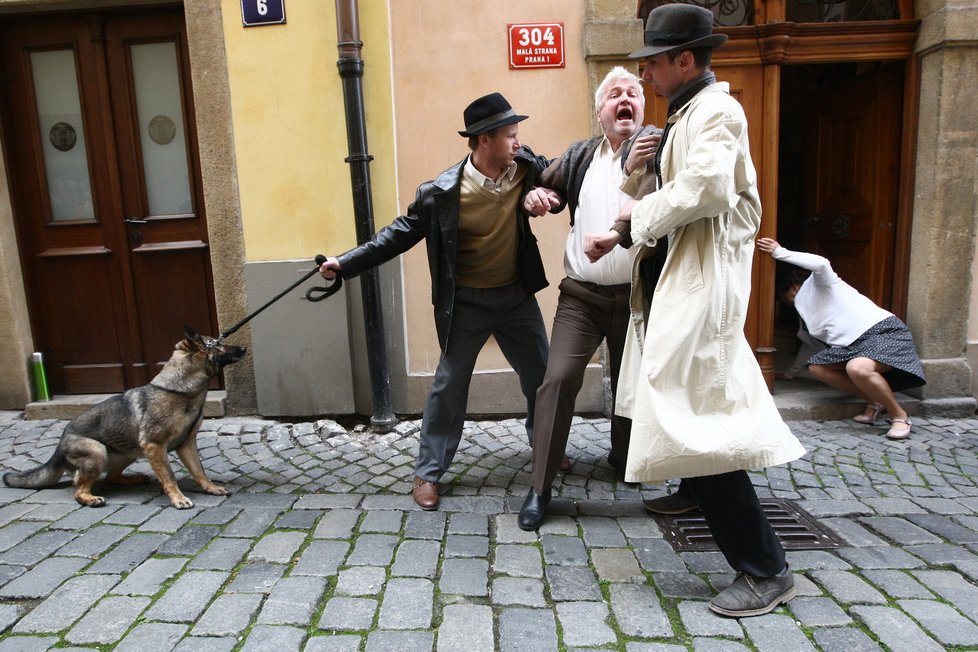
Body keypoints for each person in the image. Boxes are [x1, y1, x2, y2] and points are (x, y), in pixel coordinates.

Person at [584, 4, 806, 618]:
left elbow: (706, 190)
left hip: (700, 293)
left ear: (685, 59)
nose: (646, 75)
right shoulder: (684, 114)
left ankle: (765, 570)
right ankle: (690, 491)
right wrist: (634, 177)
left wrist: (632, 219)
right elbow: (674, 193)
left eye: (653, 63)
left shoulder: (717, 110)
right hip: (675, 289)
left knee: (697, 426)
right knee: (688, 415)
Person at [319, 93, 552, 511]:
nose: (518, 142)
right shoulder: (441, 193)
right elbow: (396, 235)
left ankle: (548, 452)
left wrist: (545, 194)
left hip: (516, 296)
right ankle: (427, 473)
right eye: (510, 135)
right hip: (467, 302)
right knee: (449, 385)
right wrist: (345, 263)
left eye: (518, 135)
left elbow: (560, 180)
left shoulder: (527, 168)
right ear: (483, 140)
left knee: (542, 376)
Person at [516, 67, 662, 531]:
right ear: (600, 111)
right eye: (615, 94)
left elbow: (654, 194)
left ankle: (626, 459)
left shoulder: (657, 146)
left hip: (639, 294)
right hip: (582, 295)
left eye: (633, 94)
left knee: (631, 384)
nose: (625, 100)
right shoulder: (581, 154)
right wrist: (537, 196)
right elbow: (549, 186)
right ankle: (540, 488)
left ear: (642, 107)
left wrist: (639, 160)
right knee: (557, 379)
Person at [758, 238, 926, 439]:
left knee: (857, 368)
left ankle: (900, 416)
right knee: (817, 367)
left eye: (786, 298)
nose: (788, 303)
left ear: (792, 287)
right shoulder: (805, 318)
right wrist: (791, 374)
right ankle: (875, 401)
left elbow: (821, 263)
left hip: (882, 332)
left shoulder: (822, 282)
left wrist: (780, 252)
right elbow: (811, 347)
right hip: (849, 347)